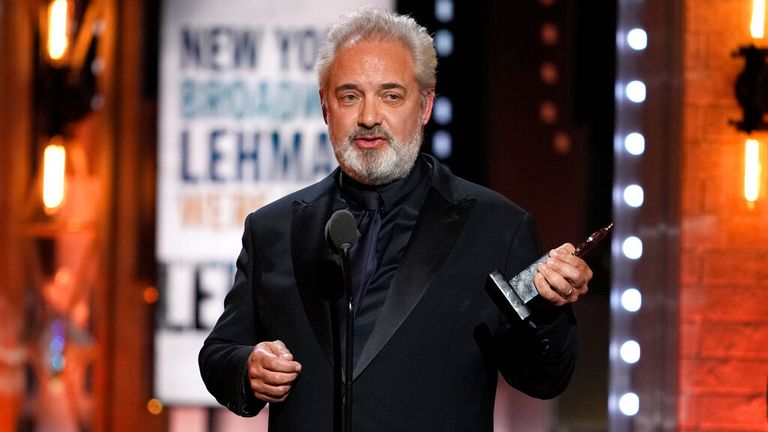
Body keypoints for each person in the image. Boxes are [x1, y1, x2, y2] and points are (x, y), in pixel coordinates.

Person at [199, 7, 593, 431]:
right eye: (350, 96)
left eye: (391, 95)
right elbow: (221, 351)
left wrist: (548, 310)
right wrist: (247, 368)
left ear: (425, 106)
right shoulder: (272, 229)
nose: (369, 117)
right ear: (325, 107)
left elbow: (542, 377)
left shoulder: (496, 227)